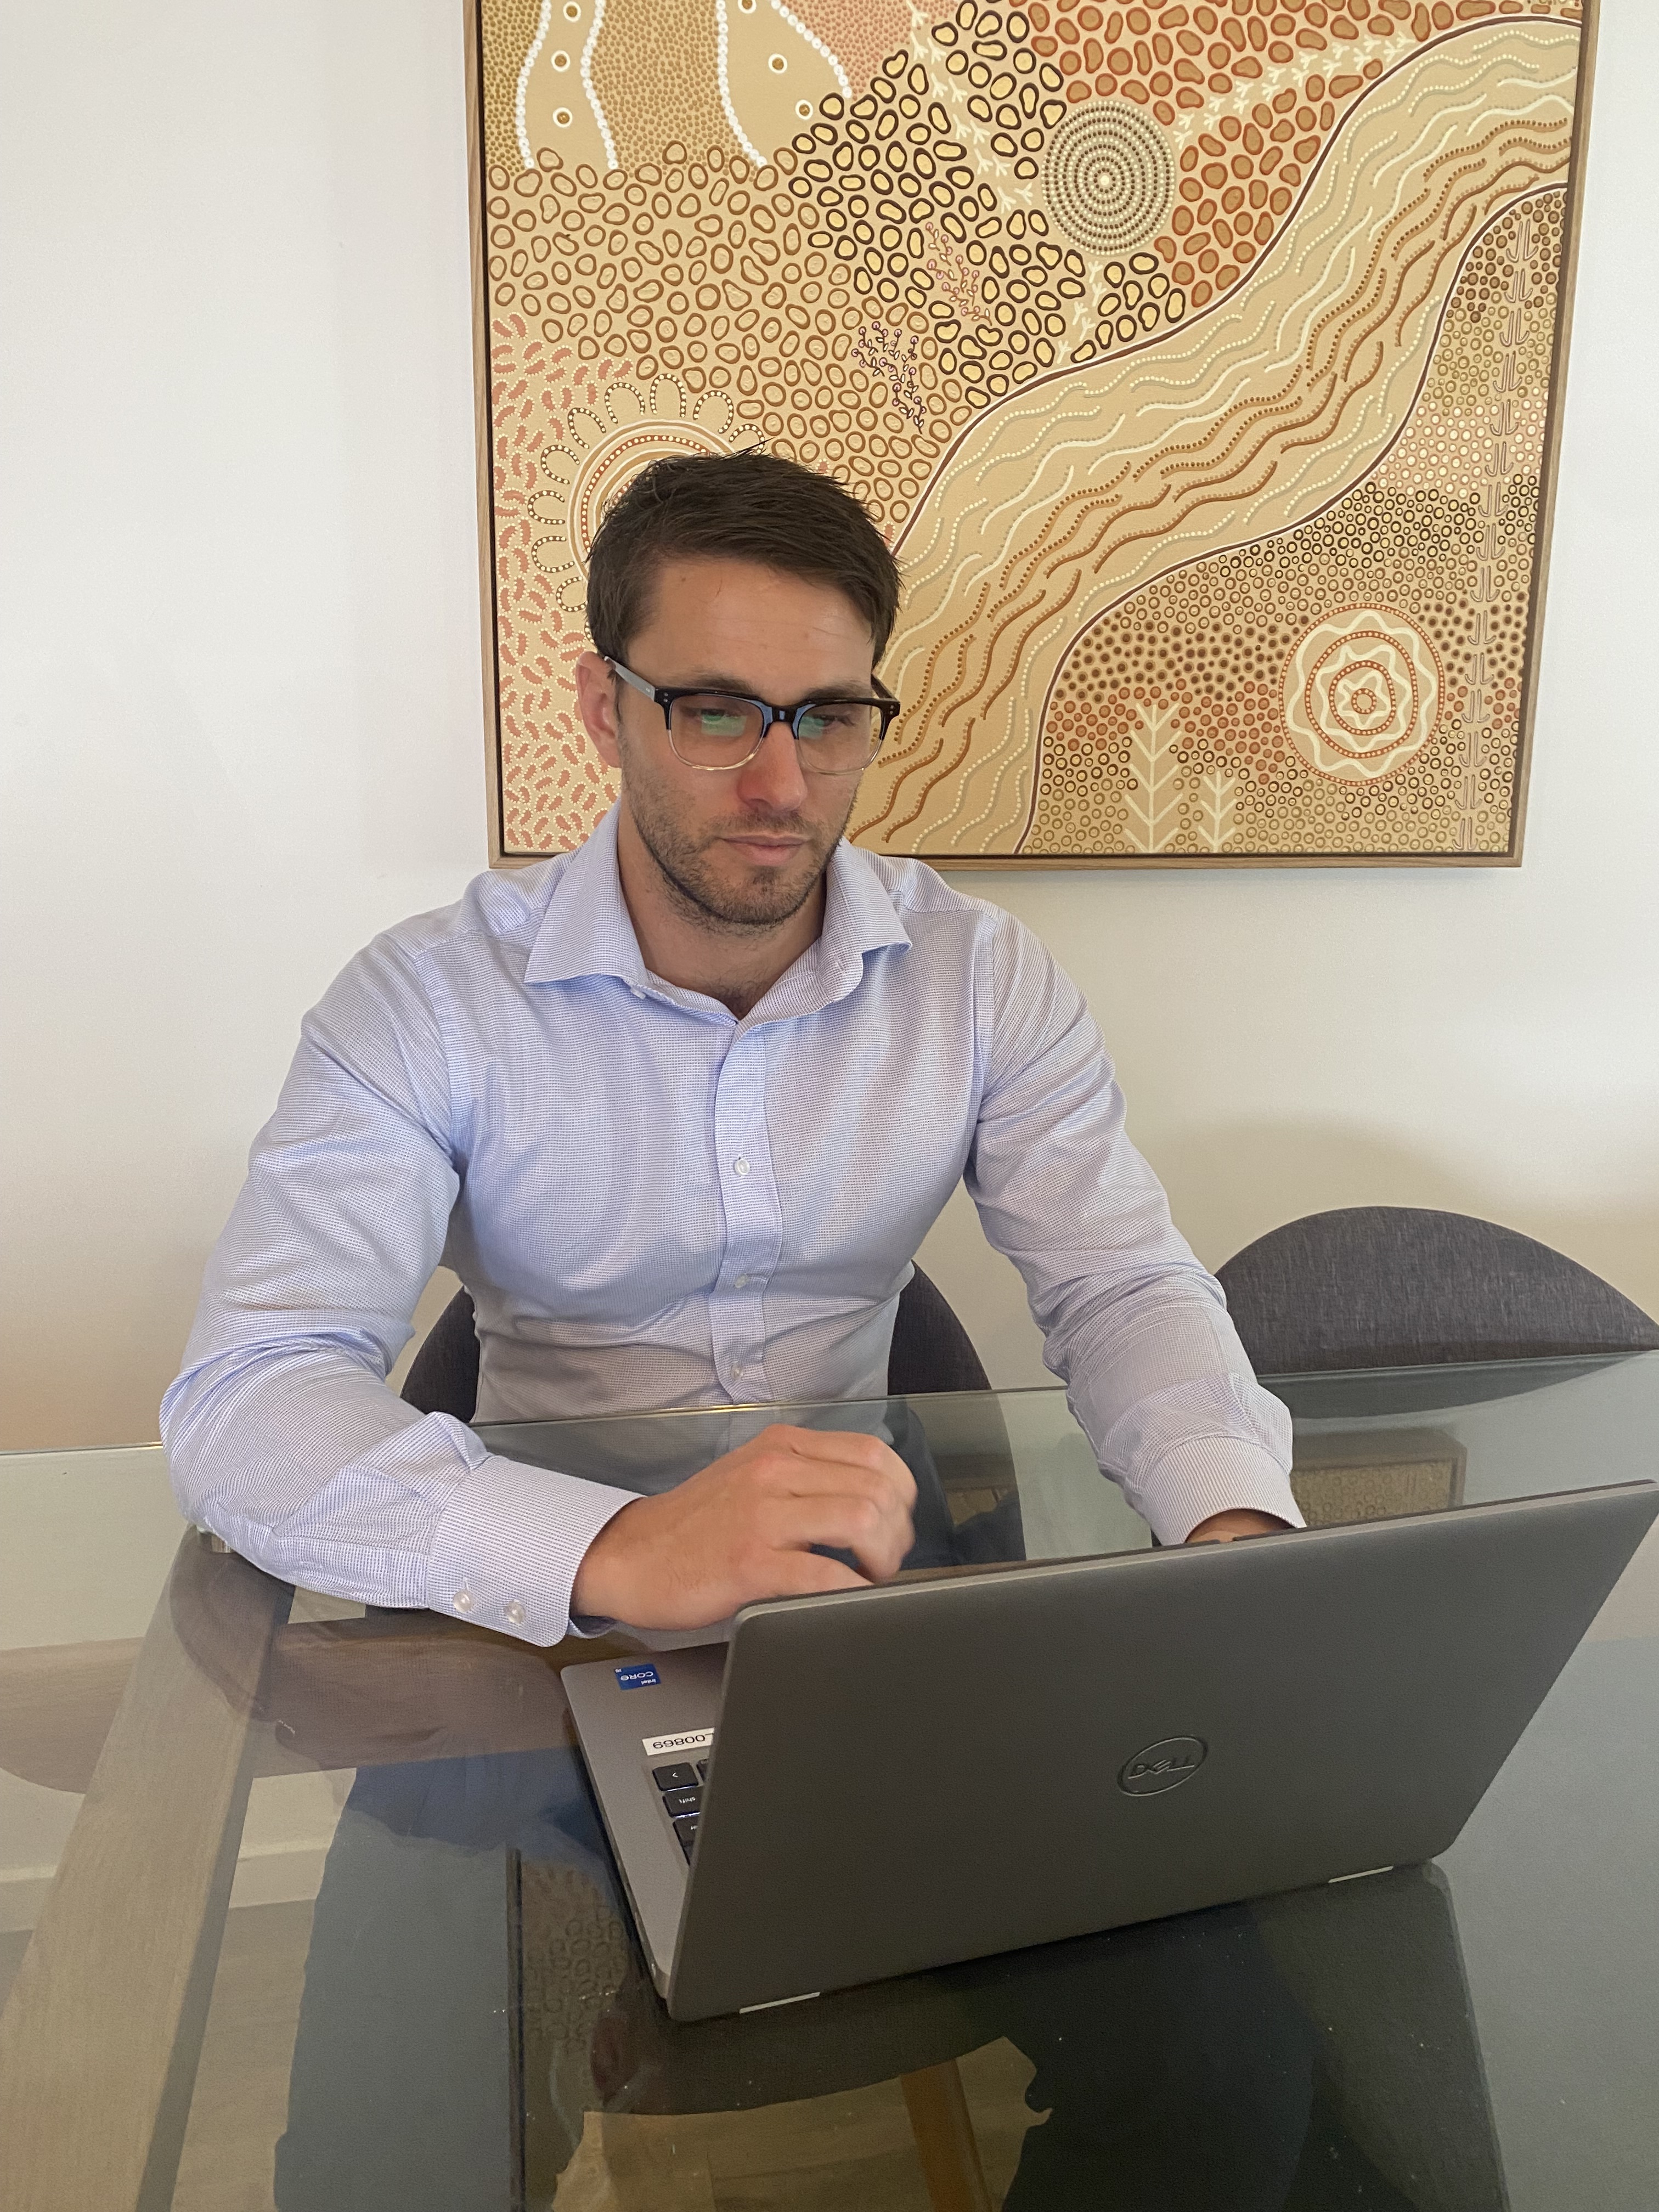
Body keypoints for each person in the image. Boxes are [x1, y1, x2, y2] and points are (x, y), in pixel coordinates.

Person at [161, 450, 1299, 1645]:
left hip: (851, 1624)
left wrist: (1232, 1524)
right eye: (715, 712)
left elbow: (1119, 1287)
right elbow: (251, 1390)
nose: (781, 781)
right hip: (531, 1624)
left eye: (830, 718)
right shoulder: (430, 1001)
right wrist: (616, 1548)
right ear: (607, 709)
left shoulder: (978, 977)